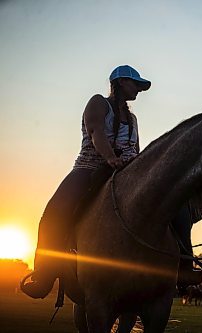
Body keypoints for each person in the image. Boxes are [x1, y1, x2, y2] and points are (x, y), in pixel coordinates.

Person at [20, 65, 150, 299]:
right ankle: (44, 274)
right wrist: (110, 158)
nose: (139, 90)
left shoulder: (133, 119)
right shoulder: (99, 103)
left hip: (127, 172)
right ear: (121, 82)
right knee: (54, 213)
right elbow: (95, 132)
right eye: (135, 84)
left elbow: (135, 148)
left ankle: (179, 266)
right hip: (89, 169)